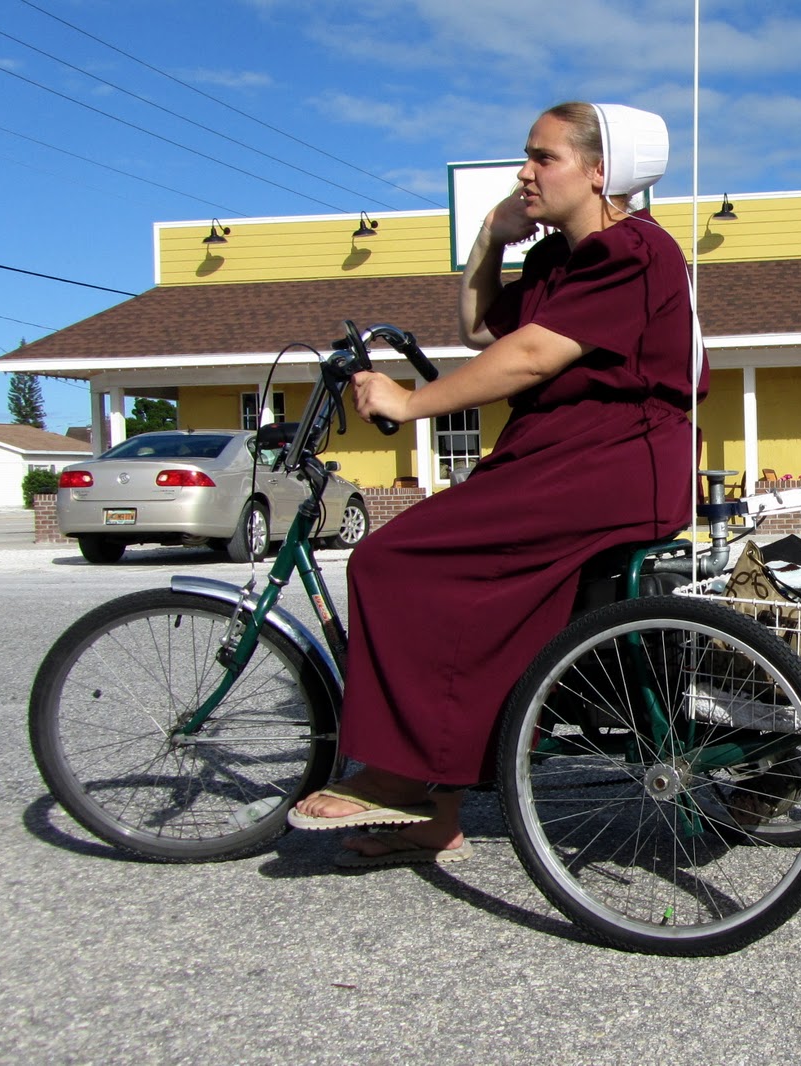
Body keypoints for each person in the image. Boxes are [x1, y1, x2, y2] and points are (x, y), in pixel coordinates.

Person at [287, 101, 707, 867]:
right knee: (465, 592)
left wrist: (410, 401)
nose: (524, 172)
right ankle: (434, 810)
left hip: (613, 461)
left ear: (599, 171)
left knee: (389, 560)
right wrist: (488, 237)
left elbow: (529, 357)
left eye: (543, 158)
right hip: (563, 457)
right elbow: (484, 329)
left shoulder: (634, 252)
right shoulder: (559, 261)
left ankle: (404, 776)